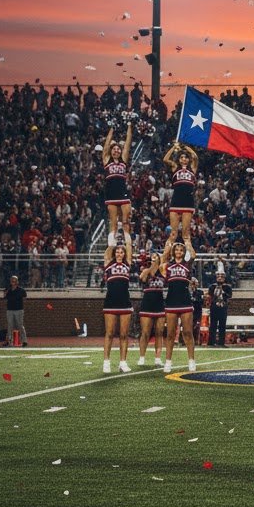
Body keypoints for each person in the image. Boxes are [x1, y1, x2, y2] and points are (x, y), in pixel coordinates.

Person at [161, 235, 197, 373]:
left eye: (181, 250)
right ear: (173, 251)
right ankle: (168, 361)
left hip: (185, 301)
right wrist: (169, 243)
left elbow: (193, 255)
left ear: (183, 252)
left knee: (187, 332)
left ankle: (191, 360)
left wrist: (187, 242)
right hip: (171, 301)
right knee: (170, 333)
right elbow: (163, 259)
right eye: (176, 250)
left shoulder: (187, 264)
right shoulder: (168, 265)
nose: (178, 252)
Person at [102, 229, 134, 373]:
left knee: (123, 334)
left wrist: (126, 231)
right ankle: (106, 362)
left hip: (125, 302)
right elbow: (108, 250)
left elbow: (129, 246)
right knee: (109, 333)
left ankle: (123, 363)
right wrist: (113, 234)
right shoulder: (109, 263)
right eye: (117, 252)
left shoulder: (127, 264)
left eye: (122, 252)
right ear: (114, 253)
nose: (119, 254)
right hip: (110, 302)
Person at [101, 121, 133, 246]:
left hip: (122, 192)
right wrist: (112, 128)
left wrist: (129, 125)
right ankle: (111, 245)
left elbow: (128, 143)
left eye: (118, 149)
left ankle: (127, 243)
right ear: (110, 151)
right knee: (113, 221)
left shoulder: (123, 160)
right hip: (111, 193)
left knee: (125, 221)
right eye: (114, 149)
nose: (116, 151)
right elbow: (106, 144)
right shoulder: (106, 160)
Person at [163, 142, 199, 245]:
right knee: (173, 234)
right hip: (176, 200)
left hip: (188, 201)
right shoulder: (175, 167)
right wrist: (173, 147)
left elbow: (195, 157)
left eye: (186, 157)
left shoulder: (192, 168)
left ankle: (190, 254)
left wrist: (187, 148)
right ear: (178, 159)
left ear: (189, 159)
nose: (184, 159)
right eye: (182, 157)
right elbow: (165, 159)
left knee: (186, 235)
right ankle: (166, 254)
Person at [137, 253, 166, 367]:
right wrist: (150, 267)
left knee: (159, 332)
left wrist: (159, 265)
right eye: (152, 257)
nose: (154, 258)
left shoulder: (162, 272)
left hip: (159, 304)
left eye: (156, 257)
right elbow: (142, 278)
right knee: (145, 332)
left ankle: (158, 358)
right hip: (147, 304)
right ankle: (142, 357)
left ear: (159, 259)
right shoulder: (146, 271)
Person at [208, 270, 232, 347]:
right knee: (213, 325)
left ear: (224, 278)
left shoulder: (227, 287)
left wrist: (223, 293)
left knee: (222, 325)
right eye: (218, 276)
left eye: (222, 276)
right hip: (214, 307)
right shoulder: (212, 286)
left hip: (223, 307)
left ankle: (221, 342)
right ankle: (211, 342)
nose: (220, 278)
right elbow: (210, 296)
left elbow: (229, 296)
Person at [4, 275, 28, 346]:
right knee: (10, 326)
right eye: (12, 280)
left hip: (19, 310)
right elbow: (5, 297)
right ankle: (9, 341)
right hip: (9, 310)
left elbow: (24, 299)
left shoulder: (21, 290)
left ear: (17, 282)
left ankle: (24, 341)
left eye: (14, 280)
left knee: (20, 325)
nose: (13, 282)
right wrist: (6, 292)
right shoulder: (7, 289)